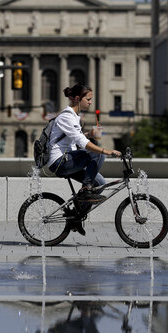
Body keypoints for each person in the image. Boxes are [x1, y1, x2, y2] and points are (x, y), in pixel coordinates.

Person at [43, 83, 121, 235]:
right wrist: (107, 151)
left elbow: (75, 139)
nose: (90, 102)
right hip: (59, 162)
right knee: (97, 152)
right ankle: (85, 189)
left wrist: (90, 134)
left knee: (99, 183)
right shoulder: (66, 116)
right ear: (78, 99)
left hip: (69, 160)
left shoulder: (74, 117)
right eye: (88, 99)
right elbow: (82, 144)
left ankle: (76, 217)